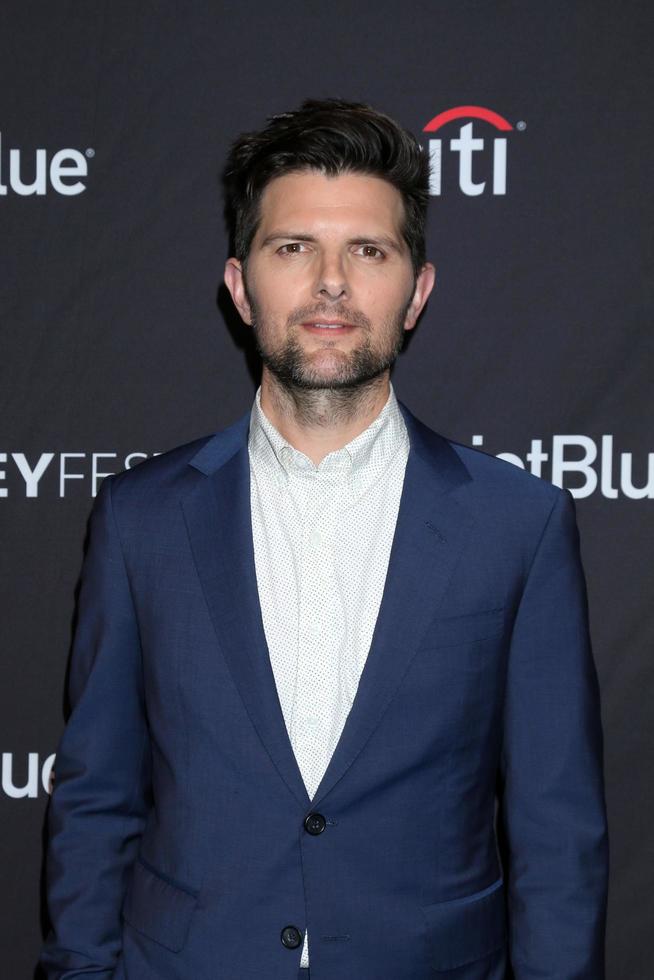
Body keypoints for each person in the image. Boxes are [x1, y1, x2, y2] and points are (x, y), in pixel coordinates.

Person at [40, 98, 609, 980]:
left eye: (369, 251)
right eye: (294, 248)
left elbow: (556, 831)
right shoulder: (140, 519)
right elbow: (96, 803)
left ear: (416, 292)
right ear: (240, 286)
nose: (332, 282)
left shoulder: (516, 524)